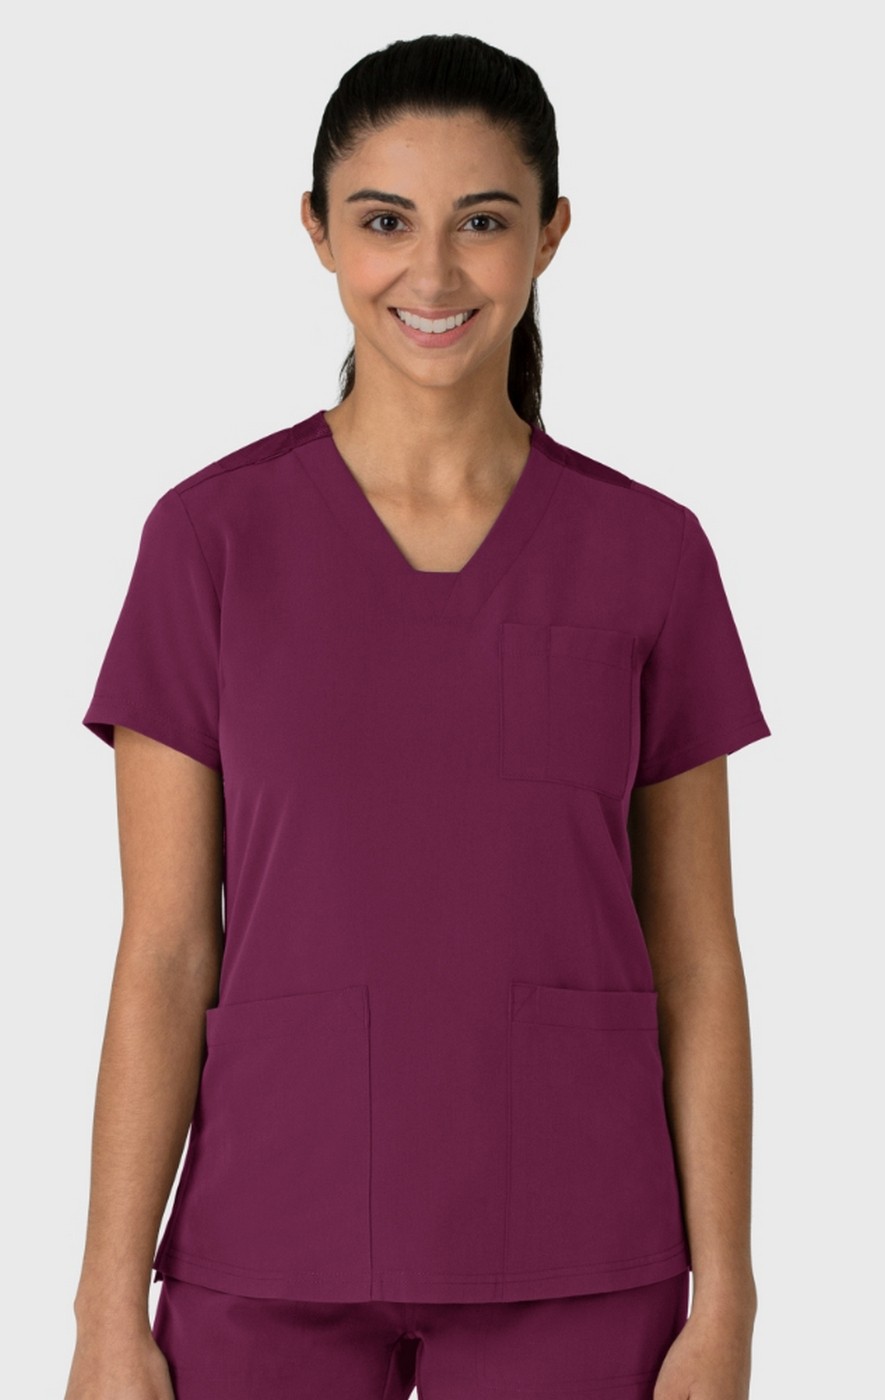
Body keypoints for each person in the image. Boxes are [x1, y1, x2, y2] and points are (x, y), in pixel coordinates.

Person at [65, 32, 771, 1400]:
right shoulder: (208, 541)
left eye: (483, 223)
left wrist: (727, 1298)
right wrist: (105, 1310)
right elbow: (163, 951)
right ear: (319, 232)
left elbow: (698, 959)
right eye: (385, 222)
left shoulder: (649, 554)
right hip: (267, 1243)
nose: (433, 274)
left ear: (550, 235)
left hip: (581, 1248)